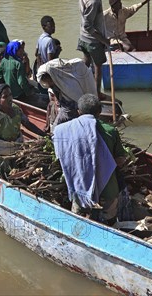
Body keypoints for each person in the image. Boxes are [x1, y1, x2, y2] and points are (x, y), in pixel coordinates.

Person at [53, 94, 127, 225]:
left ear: (78, 112)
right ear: (99, 112)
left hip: (80, 189)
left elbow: (61, 158)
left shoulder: (64, 130)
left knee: (78, 221)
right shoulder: (111, 130)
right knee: (110, 223)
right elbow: (121, 159)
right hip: (107, 189)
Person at [0, 84, 45, 178]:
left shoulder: (16, 109)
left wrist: (44, 134)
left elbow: (27, 124)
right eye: (5, 97)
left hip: (16, 149)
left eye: (10, 95)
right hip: (0, 152)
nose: (10, 98)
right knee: (1, 174)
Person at [36, 58, 97, 130]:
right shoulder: (56, 83)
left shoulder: (69, 84)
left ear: (51, 78)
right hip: (65, 108)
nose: (48, 84)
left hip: (71, 109)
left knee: (56, 128)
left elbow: (76, 99)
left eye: (48, 81)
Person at [78, 0, 110, 100]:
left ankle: (80, 85)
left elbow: (84, 26)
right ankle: (97, 93)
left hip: (82, 37)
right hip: (92, 40)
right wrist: (104, 41)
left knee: (86, 62)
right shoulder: (94, 2)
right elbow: (88, 25)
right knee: (98, 67)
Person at [0, 40, 47, 107]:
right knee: (42, 97)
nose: (21, 52)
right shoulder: (18, 63)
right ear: (13, 50)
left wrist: (3, 89)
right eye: (19, 50)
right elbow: (22, 82)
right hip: (19, 95)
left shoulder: (4, 60)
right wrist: (28, 93)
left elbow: (0, 77)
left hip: (8, 91)